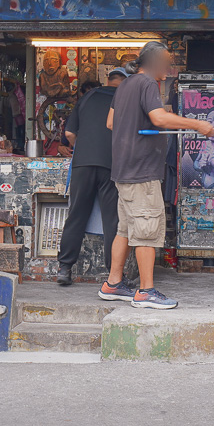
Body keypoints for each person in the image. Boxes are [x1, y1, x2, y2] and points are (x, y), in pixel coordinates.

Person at [102, 42, 214, 309]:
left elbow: (111, 123)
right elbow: (159, 119)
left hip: (123, 169)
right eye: (166, 62)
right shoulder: (147, 84)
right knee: (146, 231)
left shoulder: (126, 85)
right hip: (141, 172)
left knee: (126, 229)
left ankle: (113, 284)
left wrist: (140, 123)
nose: (168, 68)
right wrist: (196, 124)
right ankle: (145, 291)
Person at [56, 68, 129, 285]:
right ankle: (114, 275)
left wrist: (85, 145)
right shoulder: (124, 98)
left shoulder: (88, 97)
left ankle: (64, 268)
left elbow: (69, 133)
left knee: (77, 214)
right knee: (112, 221)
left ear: (107, 80)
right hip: (110, 164)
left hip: (83, 163)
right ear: (124, 83)